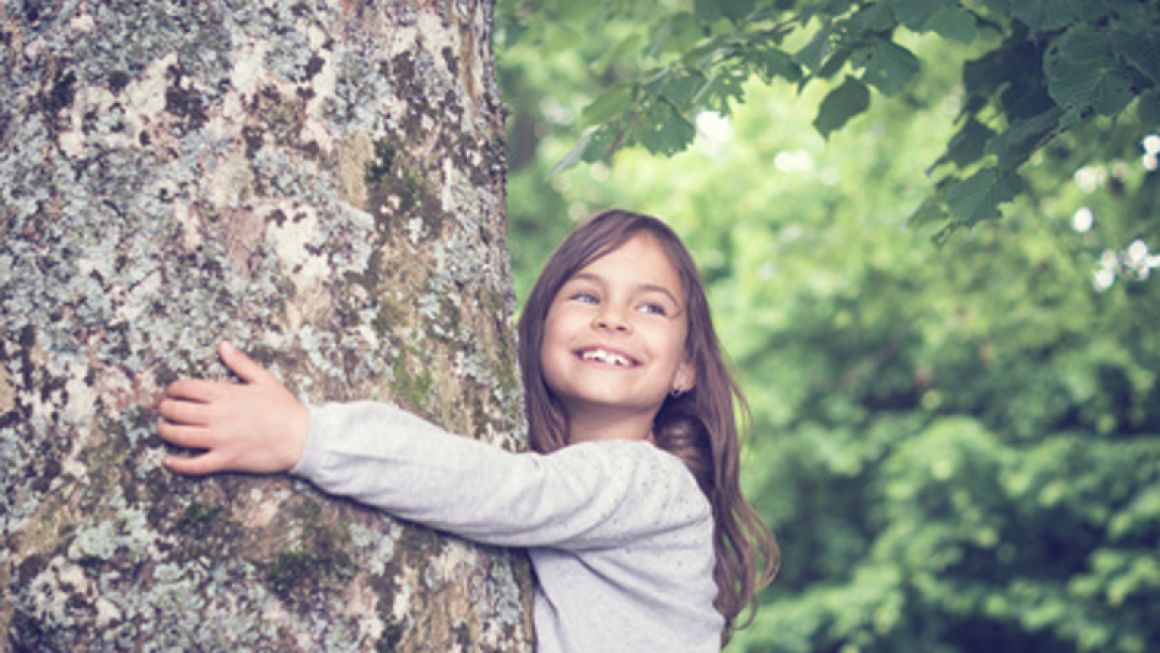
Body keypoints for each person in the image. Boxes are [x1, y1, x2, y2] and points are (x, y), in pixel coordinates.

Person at [157, 209, 778, 652]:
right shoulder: (579, 480)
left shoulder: (652, 482)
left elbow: (508, 492)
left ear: (686, 368)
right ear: (538, 331)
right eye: (586, 296)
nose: (614, 319)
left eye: (650, 307)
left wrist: (305, 437)